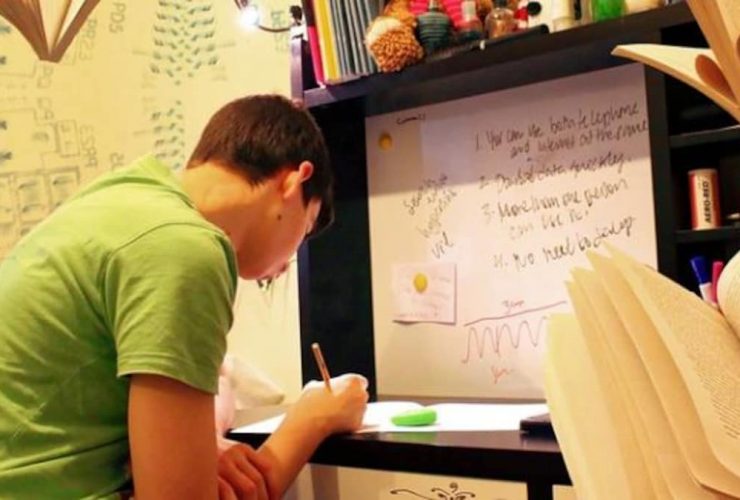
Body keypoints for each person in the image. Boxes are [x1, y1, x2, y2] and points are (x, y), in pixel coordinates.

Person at [0, 94, 369, 499]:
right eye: (307, 225)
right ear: (294, 181)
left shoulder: (123, 198)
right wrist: (313, 419)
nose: (287, 265)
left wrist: (202, 444)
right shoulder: (186, 249)